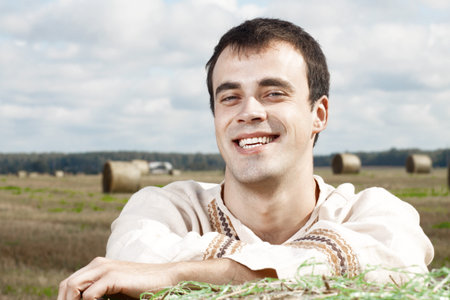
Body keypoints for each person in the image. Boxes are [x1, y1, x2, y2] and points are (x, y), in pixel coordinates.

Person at [58, 18, 434, 300]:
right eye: (229, 97)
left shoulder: (375, 213)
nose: (249, 111)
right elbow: (132, 257)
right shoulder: (163, 209)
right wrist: (327, 268)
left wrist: (174, 275)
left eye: (273, 93)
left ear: (318, 113)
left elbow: (397, 265)